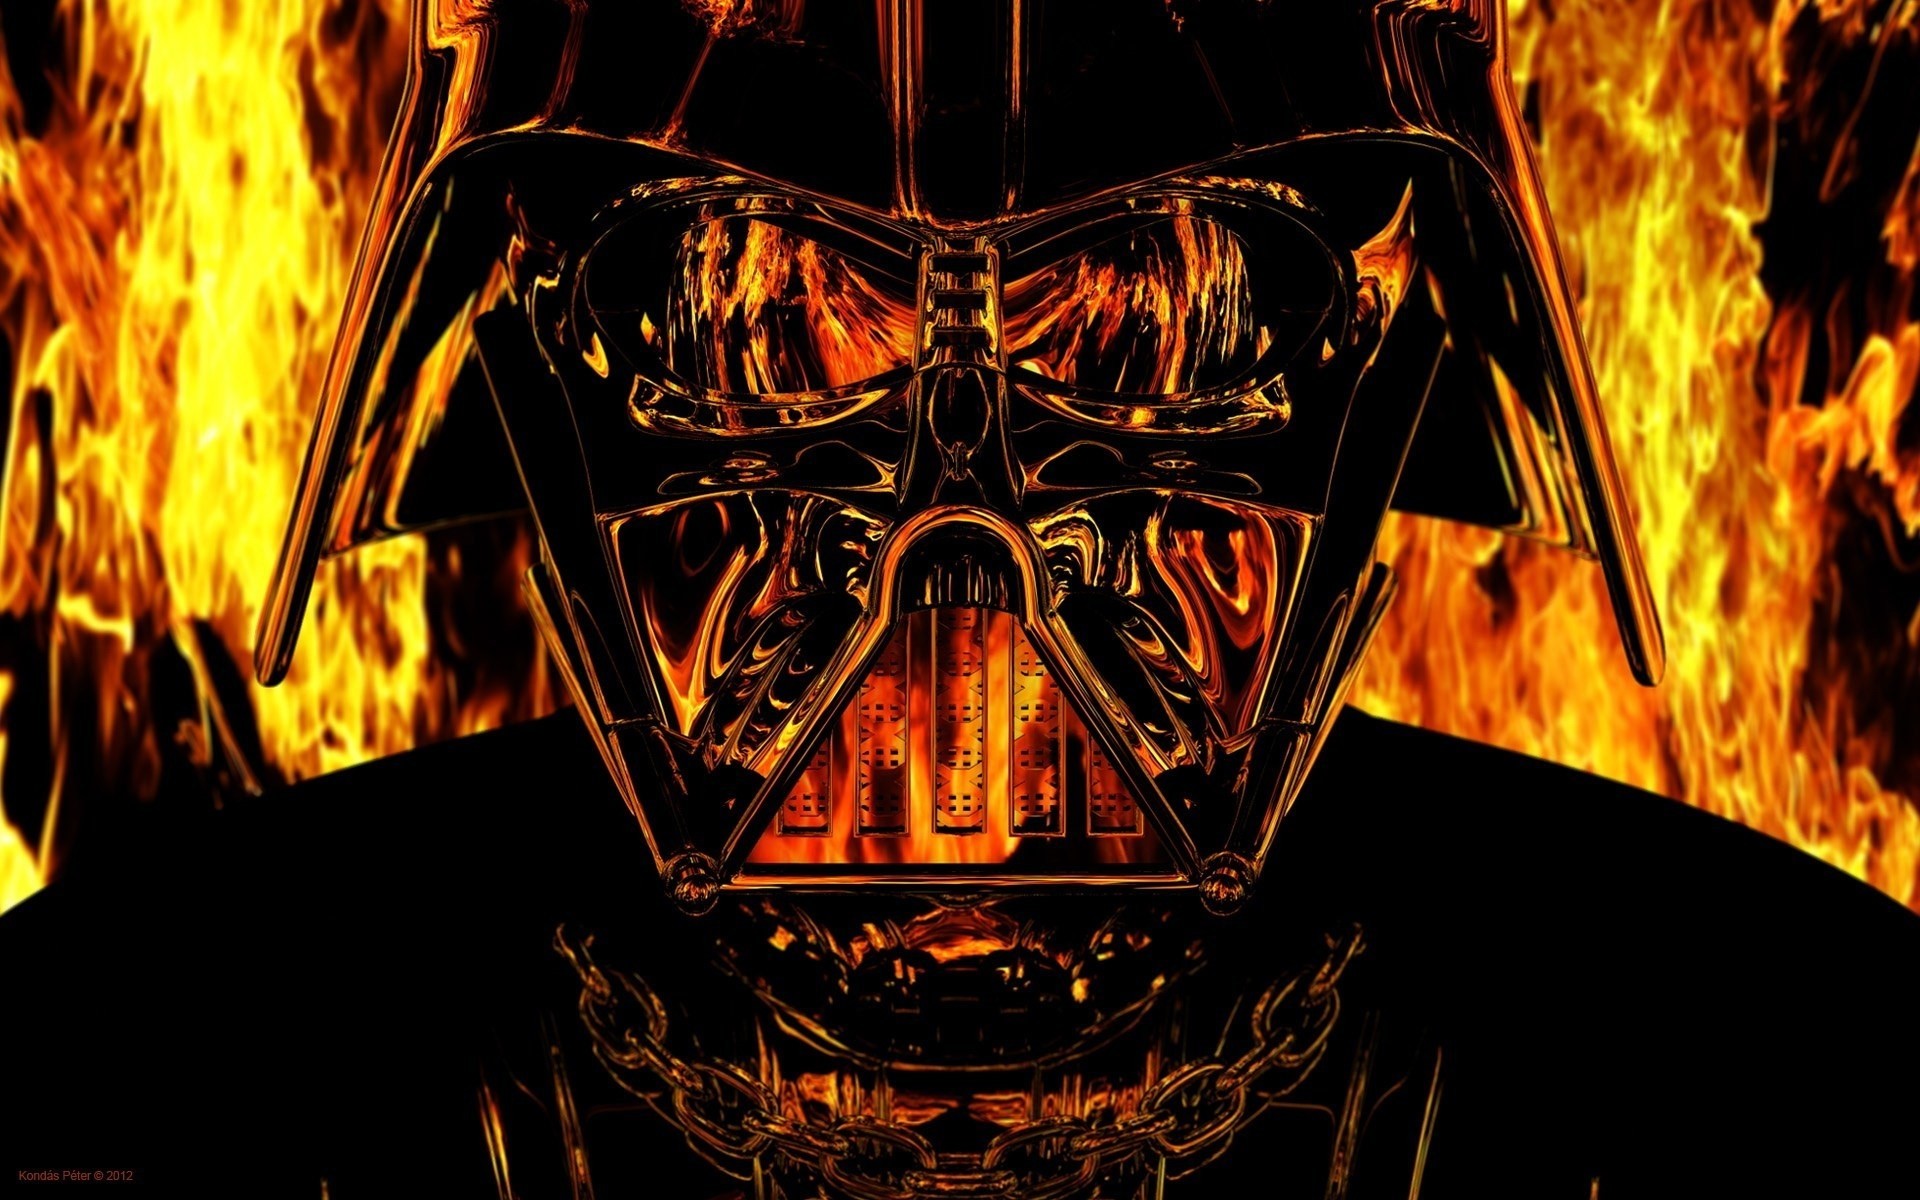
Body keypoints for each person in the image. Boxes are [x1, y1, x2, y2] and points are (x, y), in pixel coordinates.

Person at [6, 2, 1920, 1197]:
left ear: (1405, 356)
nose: (958, 537)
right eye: (752, 310)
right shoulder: (176, 1070)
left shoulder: (1733, 1073)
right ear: (517, 350)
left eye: (1165, 311)